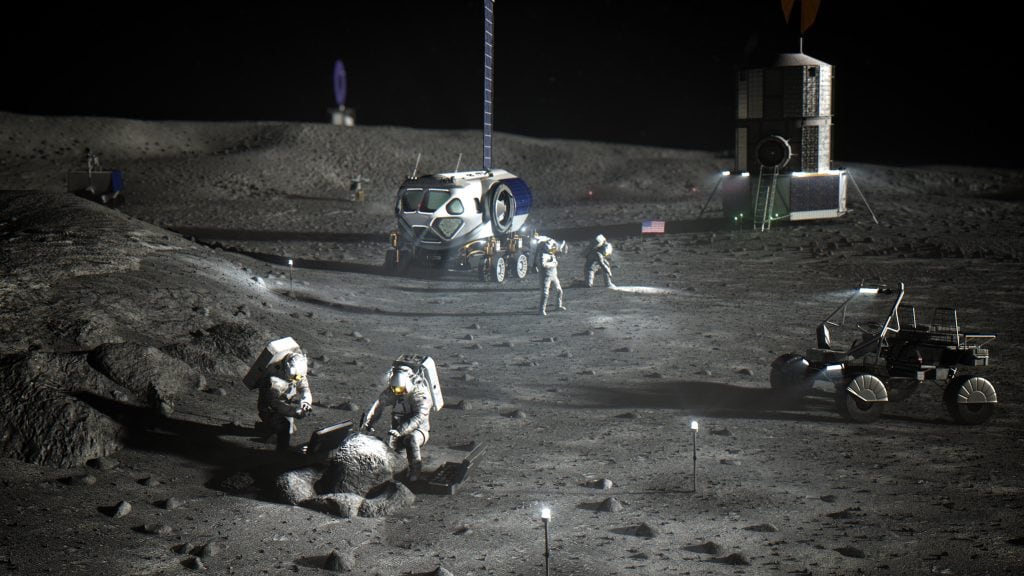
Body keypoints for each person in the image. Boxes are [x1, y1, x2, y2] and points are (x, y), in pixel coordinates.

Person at [361, 363, 433, 481]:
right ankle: (400, 473)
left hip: (419, 430)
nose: (398, 392)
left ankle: (416, 470)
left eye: (400, 389)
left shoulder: (420, 394)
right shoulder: (394, 391)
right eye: (395, 390)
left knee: (411, 439)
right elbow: (379, 405)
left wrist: (400, 430)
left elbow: (419, 417)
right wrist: (369, 422)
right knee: (398, 461)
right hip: (398, 432)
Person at [256, 351, 313, 452]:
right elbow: (274, 404)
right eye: (294, 378)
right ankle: (281, 450)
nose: (296, 380)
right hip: (271, 410)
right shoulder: (273, 379)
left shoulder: (297, 372)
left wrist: (306, 402)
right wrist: (294, 412)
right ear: (286, 368)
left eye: (298, 377)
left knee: (290, 427)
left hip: (285, 406)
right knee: (285, 427)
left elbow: (304, 388)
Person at [539, 238, 566, 316]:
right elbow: (543, 265)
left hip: (553, 275)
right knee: (545, 294)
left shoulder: (551, 253)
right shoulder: (543, 254)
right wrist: (553, 263)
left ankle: (558, 305)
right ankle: (541, 309)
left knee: (559, 290)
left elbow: (559, 250)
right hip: (546, 276)